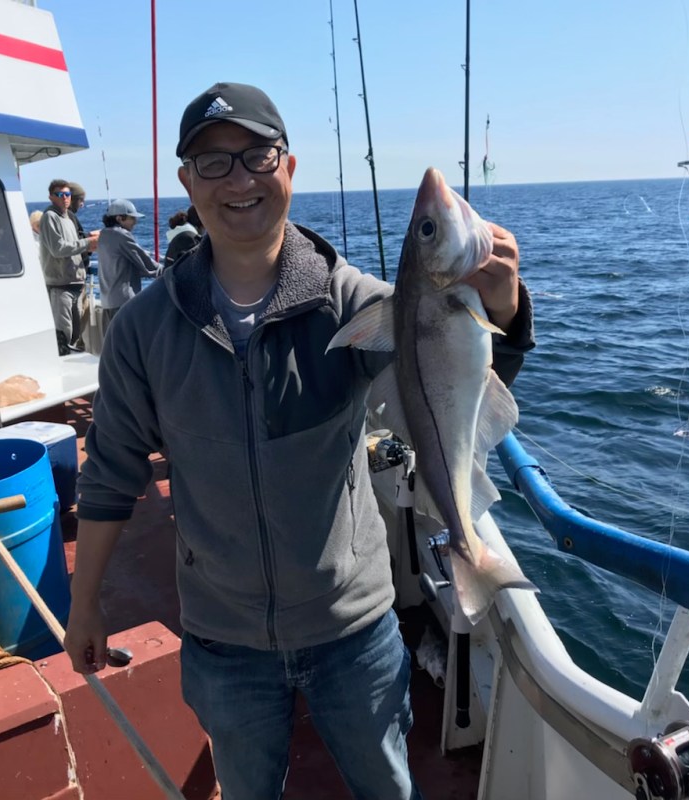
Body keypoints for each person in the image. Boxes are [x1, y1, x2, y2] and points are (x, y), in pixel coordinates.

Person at [64, 82, 535, 799]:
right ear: (186, 184)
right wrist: (86, 603)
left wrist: (503, 307)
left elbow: (454, 380)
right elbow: (111, 474)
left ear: (288, 169)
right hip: (224, 641)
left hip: (355, 629)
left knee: (387, 788)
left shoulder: (355, 303)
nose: (240, 179)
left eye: (257, 155)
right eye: (213, 163)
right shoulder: (143, 331)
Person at [39, 179, 99, 354]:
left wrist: (88, 241)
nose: (65, 198)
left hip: (75, 284)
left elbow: (73, 244)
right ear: (51, 197)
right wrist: (88, 243)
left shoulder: (68, 218)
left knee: (74, 334)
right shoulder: (50, 217)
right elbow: (58, 249)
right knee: (63, 335)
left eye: (67, 194)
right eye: (60, 194)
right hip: (60, 286)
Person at [96, 199, 160, 334]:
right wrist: (168, 269)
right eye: (132, 218)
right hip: (124, 300)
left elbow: (131, 256)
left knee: (114, 344)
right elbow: (145, 263)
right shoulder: (121, 234)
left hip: (108, 300)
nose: (135, 222)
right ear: (119, 218)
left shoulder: (104, 235)